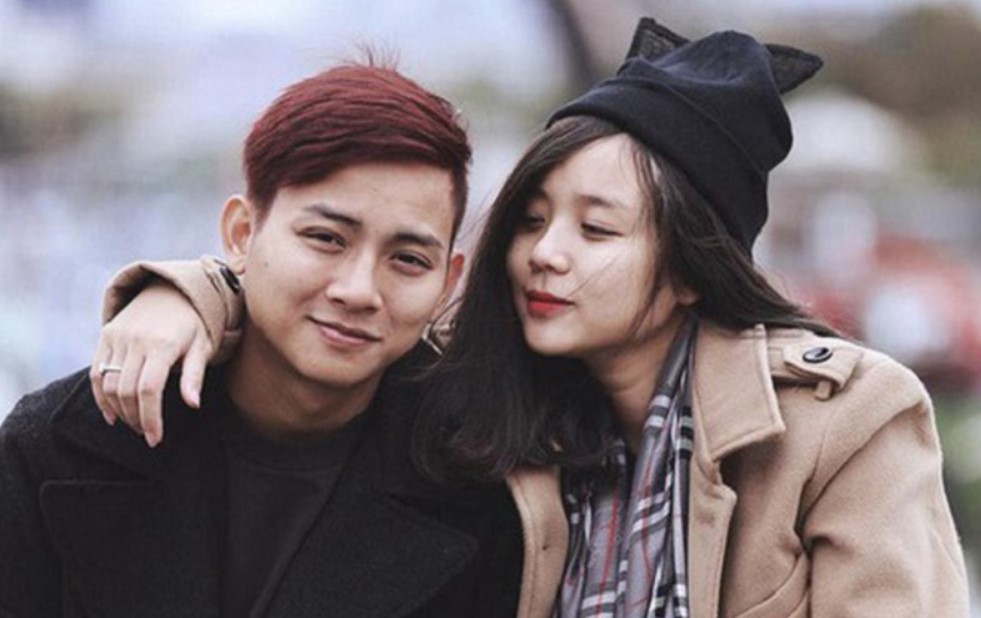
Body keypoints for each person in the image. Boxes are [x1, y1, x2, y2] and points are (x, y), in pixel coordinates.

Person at [80, 18, 970, 618]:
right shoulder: (490, 408)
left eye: (595, 229)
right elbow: (337, 315)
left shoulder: (841, 421)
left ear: (692, 267)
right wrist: (189, 295)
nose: (545, 253)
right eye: (532, 219)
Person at [0, 62, 528, 617]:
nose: (359, 290)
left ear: (448, 280)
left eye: (408, 260)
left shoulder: (483, 491)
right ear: (241, 234)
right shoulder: (55, 450)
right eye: (326, 238)